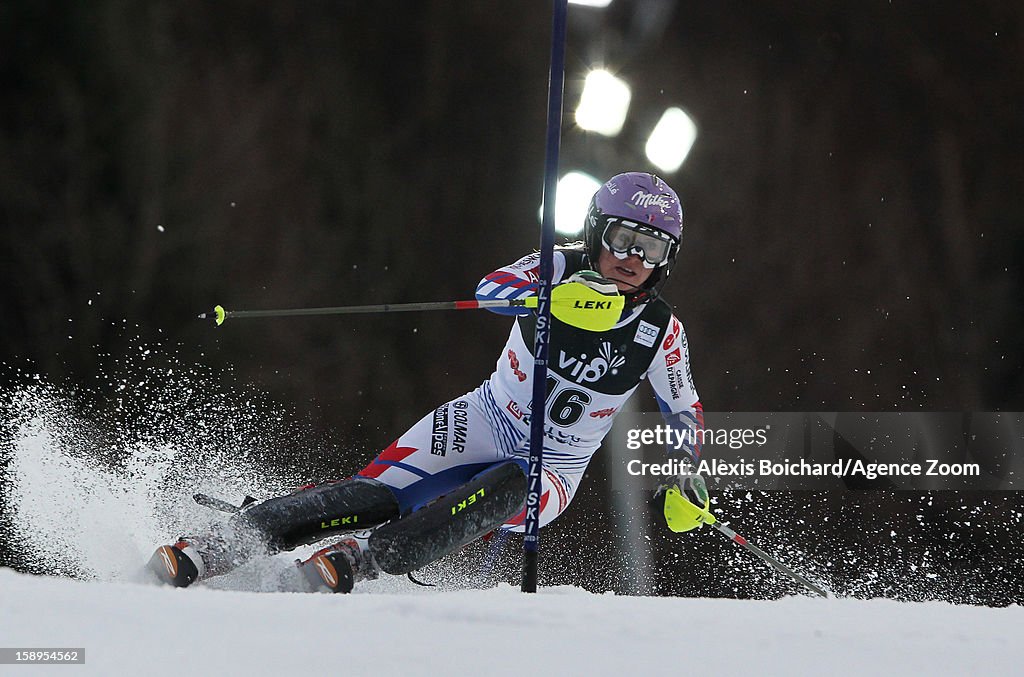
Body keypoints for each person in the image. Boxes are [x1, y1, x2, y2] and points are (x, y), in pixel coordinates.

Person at [148, 172, 706, 593]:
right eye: (623, 238)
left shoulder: (662, 332)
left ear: (667, 260)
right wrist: (546, 296)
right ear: (594, 233)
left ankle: (358, 559)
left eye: (652, 248)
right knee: (373, 495)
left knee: (498, 495)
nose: (634, 258)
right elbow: (491, 289)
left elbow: (686, 412)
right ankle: (215, 546)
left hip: (552, 465)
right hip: (485, 418)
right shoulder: (553, 267)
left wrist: (688, 476)